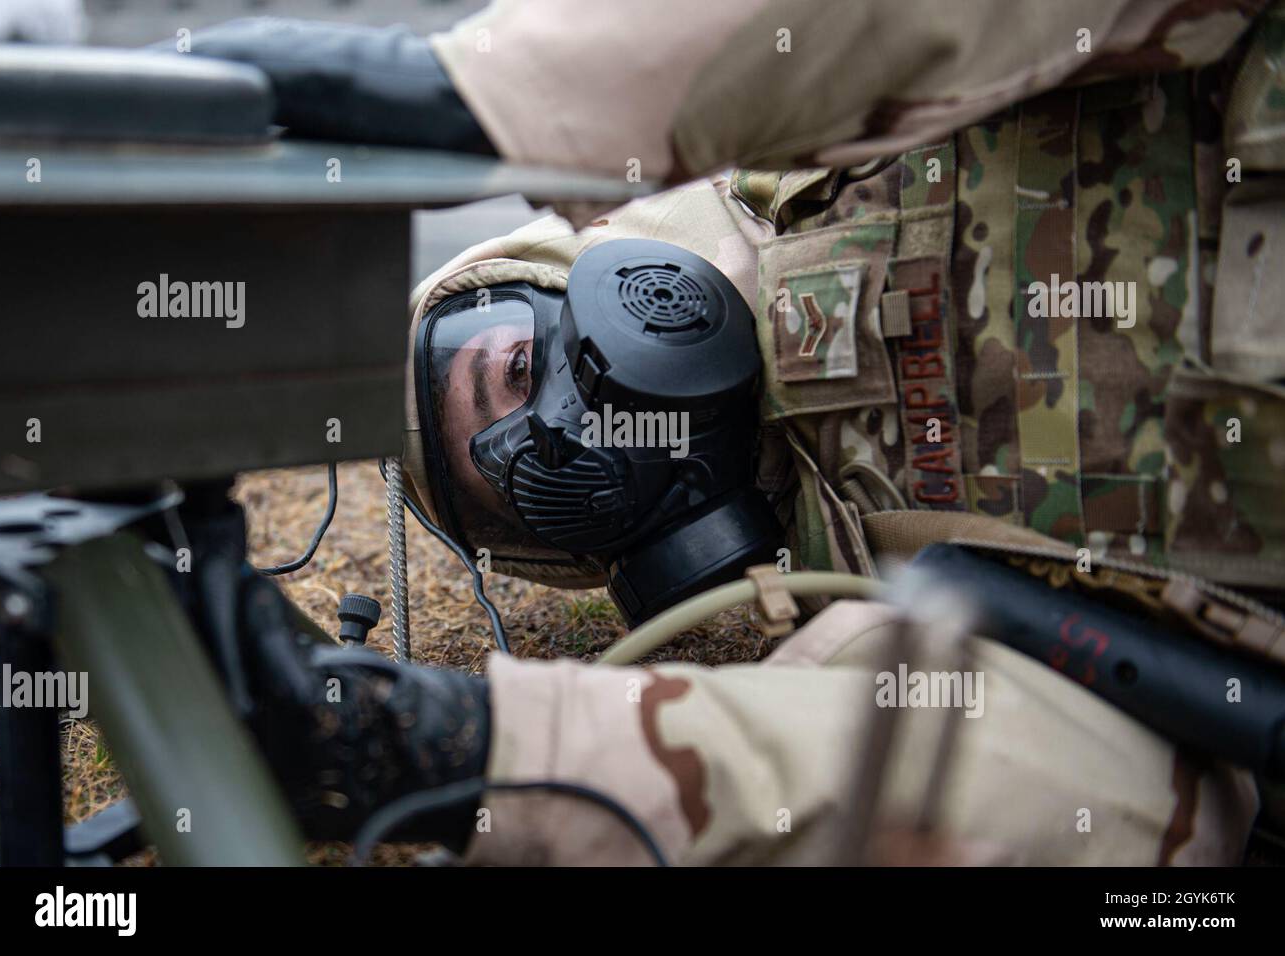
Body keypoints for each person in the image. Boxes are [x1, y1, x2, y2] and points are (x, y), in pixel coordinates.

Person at [186, 0, 1285, 864]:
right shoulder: (865, 613)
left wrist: (488, 91)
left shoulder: (841, 139)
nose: (571, 432)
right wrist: (458, 752)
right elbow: (1019, 789)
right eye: (526, 481)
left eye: (522, 369)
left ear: (598, 279)